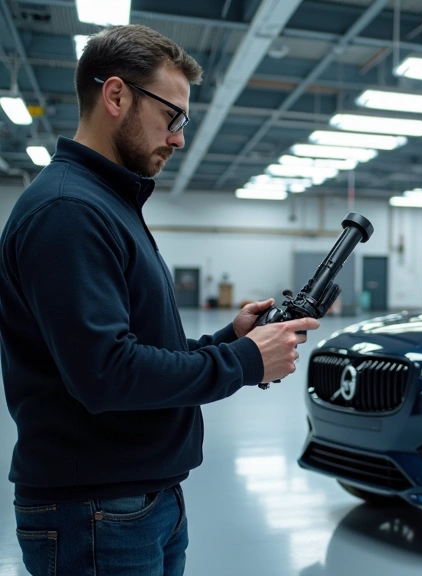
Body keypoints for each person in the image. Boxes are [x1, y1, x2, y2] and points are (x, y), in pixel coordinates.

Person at [0, 25, 318, 575]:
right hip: (97, 512)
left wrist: (229, 340)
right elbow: (106, 374)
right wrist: (243, 363)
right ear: (116, 96)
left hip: (140, 499)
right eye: (172, 117)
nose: (178, 139)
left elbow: (134, 347)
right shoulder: (68, 212)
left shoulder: (105, 203)